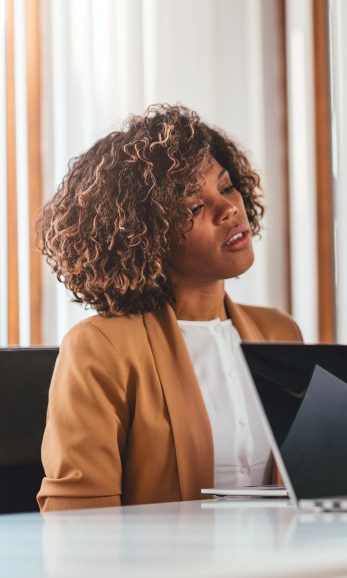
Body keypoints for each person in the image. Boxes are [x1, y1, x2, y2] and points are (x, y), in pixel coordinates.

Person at [35, 105, 302, 512]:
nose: (229, 209)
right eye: (195, 207)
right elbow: (78, 521)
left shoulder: (281, 333)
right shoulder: (99, 348)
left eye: (227, 188)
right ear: (145, 237)